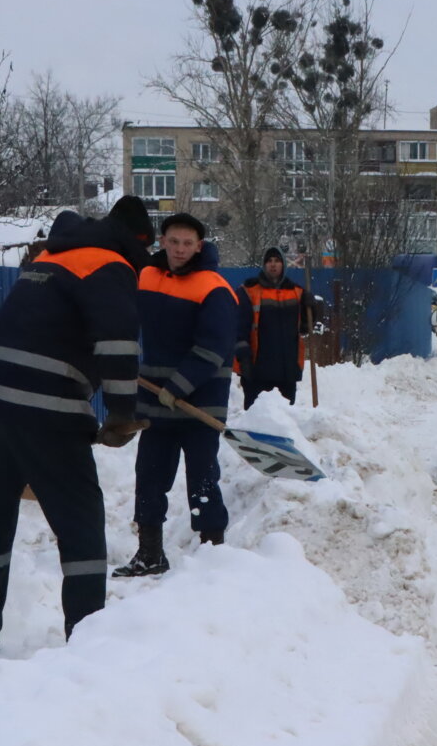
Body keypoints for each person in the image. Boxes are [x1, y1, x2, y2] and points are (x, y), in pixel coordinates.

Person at [0, 197, 154, 659]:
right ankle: (87, 645)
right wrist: (121, 412)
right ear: (137, 243)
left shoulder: (53, 255)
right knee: (81, 522)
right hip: (45, 404)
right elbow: (118, 342)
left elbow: (52, 329)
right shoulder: (110, 264)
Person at [112, 212, 238, 577]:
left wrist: (178, 386)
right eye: (174, 241)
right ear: (162, 242)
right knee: (149, 478)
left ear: (199, 246)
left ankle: (213, 552)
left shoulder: (214, 288)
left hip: (200, 404)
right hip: (156, 404)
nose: (180, 249)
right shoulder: (146, 277)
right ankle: (150, 554)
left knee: (202, 479)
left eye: (187, 243)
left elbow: (213, 348)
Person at [234, 246, 317, 409]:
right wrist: (244, 359)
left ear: (283, 264)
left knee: (285, 418)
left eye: (277, 261)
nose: (273, 264)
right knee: (256, 417)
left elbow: (305, 328)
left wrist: (312, 307)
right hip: (257, 370)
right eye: (269, 261)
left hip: (287, 371)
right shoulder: (249, 291)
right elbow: (239, 329)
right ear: (264, 265)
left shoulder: (297, 292)